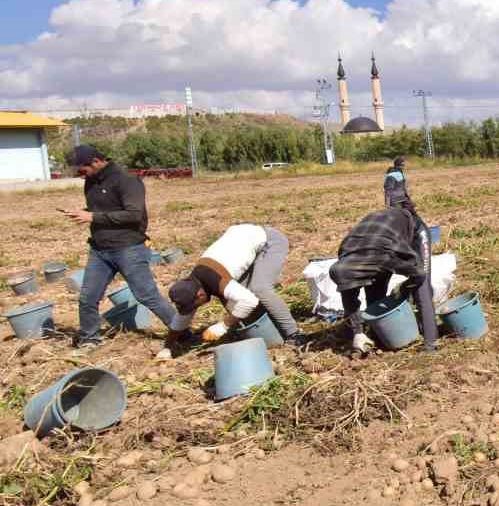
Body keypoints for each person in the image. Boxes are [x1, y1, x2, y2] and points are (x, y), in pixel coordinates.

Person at [60, 145, 190, 354]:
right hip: (99, 250)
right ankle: (90, 339)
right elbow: (104, 210)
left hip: (128, 248)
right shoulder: (91, 182)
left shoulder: (127, 180)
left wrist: (93, 217)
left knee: (147, 295)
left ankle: (183, 332)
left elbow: (133, 214)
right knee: (87, 297)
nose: (78, 174)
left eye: (81, 169)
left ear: (95, 162)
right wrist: (82, 213)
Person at [168, 224, 307, 348]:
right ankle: (267, 326)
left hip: (269, 240)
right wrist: (167, 347)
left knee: (260, 288)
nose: (195, 309)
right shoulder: (192, 285)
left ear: (200, 295)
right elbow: (182, 318)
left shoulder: (216, 280)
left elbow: (250, 301)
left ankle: (294, 334)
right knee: (236, 300)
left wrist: (224, 325)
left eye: (195, 306)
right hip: (243, 240)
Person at [329, 206, 438, 356]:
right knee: (375, 298)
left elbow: (418, 274)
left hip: (410, 228)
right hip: (379, 238)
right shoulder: (344, 263)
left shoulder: (389, 255)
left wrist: (403, 289)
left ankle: (430, 345)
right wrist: (357, 333)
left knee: (421, 288)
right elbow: (350, 302)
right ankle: (380, 337)